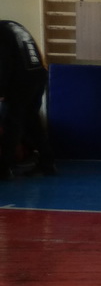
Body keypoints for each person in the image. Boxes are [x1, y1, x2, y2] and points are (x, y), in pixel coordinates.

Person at [0, 20, 56, 180]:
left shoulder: (2, 32)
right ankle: (47, 163)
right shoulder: (12, 25)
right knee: (31, 121)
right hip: (37, 75)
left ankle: (4, 169)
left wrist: (1, 90)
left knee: (11, 123)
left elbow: (4, 61)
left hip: (21, 81)